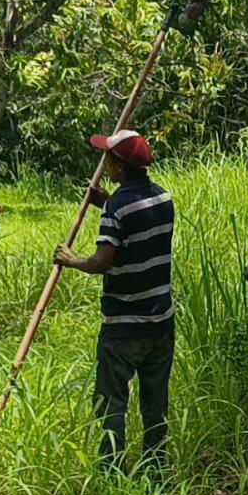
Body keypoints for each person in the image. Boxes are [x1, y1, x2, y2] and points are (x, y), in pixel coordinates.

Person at [53, 130, 175, 475]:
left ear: (119, 168)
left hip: (123, 326)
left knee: (111, 402)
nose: (103, 163)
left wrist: (71, 259)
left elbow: (102, 262)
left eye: (108, 158)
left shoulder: (118, 210)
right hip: (161, 321)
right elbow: (139, 224)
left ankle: (111, 472)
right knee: (155, 402)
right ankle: (155, 470)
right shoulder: (163, 199)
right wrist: (107, 201)